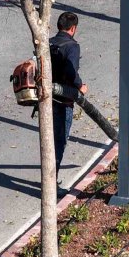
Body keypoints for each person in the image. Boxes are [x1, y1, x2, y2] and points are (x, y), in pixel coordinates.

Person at [49, 12, 87, 177]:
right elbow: (71, 72)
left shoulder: (48, 43)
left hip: (46, 99)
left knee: (50, 142)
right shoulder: (72, 46)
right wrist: (80, 87)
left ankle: (50, 179)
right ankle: (52, 182)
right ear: (73, 28)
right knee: (59, 141)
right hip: (63, 101)